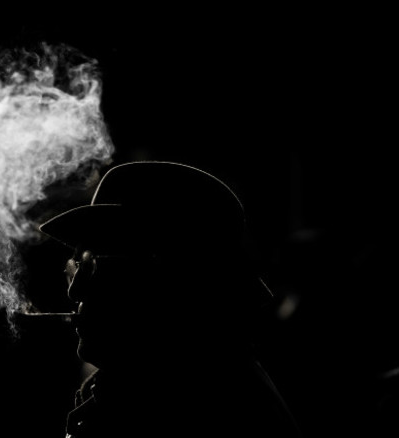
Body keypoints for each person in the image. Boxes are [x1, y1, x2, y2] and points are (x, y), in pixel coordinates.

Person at [38, 161, 303, 437]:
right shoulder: (140, 388)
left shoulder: (200, 409)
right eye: (76, 267)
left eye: (95, 266)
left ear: (167, 278)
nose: (74, 291)